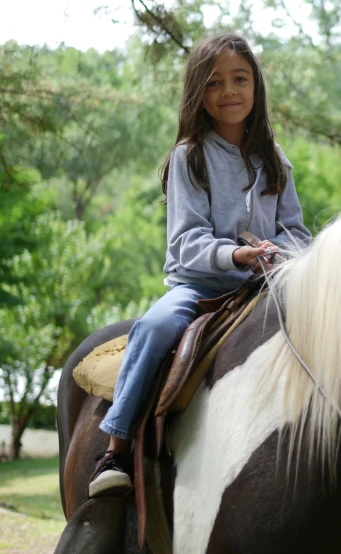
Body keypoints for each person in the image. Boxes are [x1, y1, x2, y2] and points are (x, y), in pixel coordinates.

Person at [88, 33, 311, 498]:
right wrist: (234, 255)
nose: (229, 91)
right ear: (198, 93)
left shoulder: (275, 158)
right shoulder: (188, 157)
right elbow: (186, 240)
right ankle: (116, 445)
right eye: (214, 83)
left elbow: (295, 229)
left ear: (256, 86)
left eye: (240, 79)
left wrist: (283, 254)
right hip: (201, 286)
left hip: (263, 284)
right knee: (155, 326)